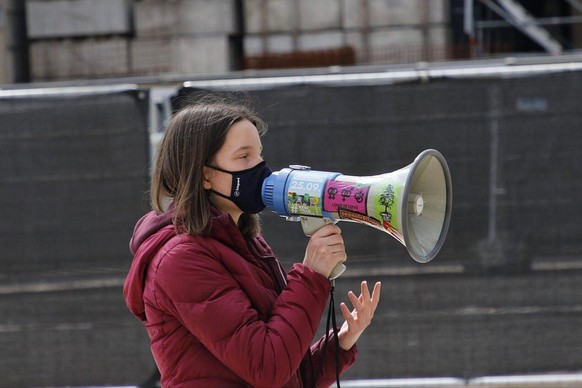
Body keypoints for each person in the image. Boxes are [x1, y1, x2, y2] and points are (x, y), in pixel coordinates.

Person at [123, 94, 381, 387]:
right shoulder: (180, 260)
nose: (260, 167)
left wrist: (342, 343)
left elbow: (287, 374)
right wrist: (311, 275)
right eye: (244, 156)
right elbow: (266, 367)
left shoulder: (246, 244)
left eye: (259, 154)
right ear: (205, 174)